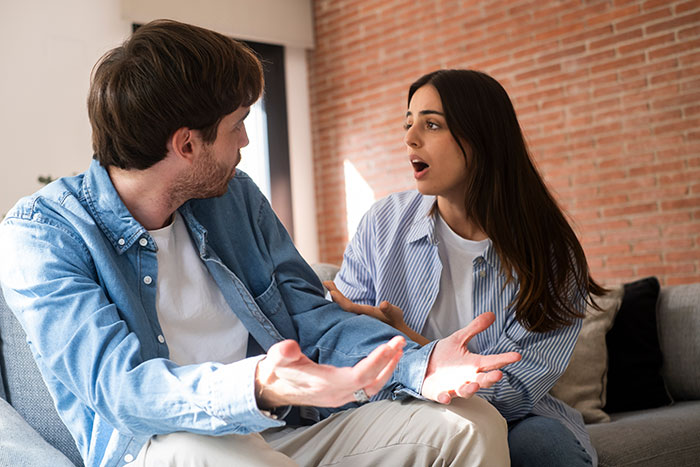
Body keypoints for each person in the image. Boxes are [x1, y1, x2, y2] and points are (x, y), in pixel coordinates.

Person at [0, 22, 522, 467]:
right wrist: (258, 386)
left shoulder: (232, 198)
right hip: (162, 446)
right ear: (186, 145)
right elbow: (121, 390)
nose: (246, 143)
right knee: (223, 456)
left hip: (280, 427)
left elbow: (310, 314)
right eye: (237, 126)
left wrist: (420, 364)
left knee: (473, 424)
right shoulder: (42, 236)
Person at [325, 69, 607, 467]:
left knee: (543, 447)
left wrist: (406, 340)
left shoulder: (553, 256)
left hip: (514, 420)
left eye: (432, 124)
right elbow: (341, 348)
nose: (409, 138)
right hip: (395, 414)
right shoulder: (382, 224)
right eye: (408, 124)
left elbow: (513, 392)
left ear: (482, 137)